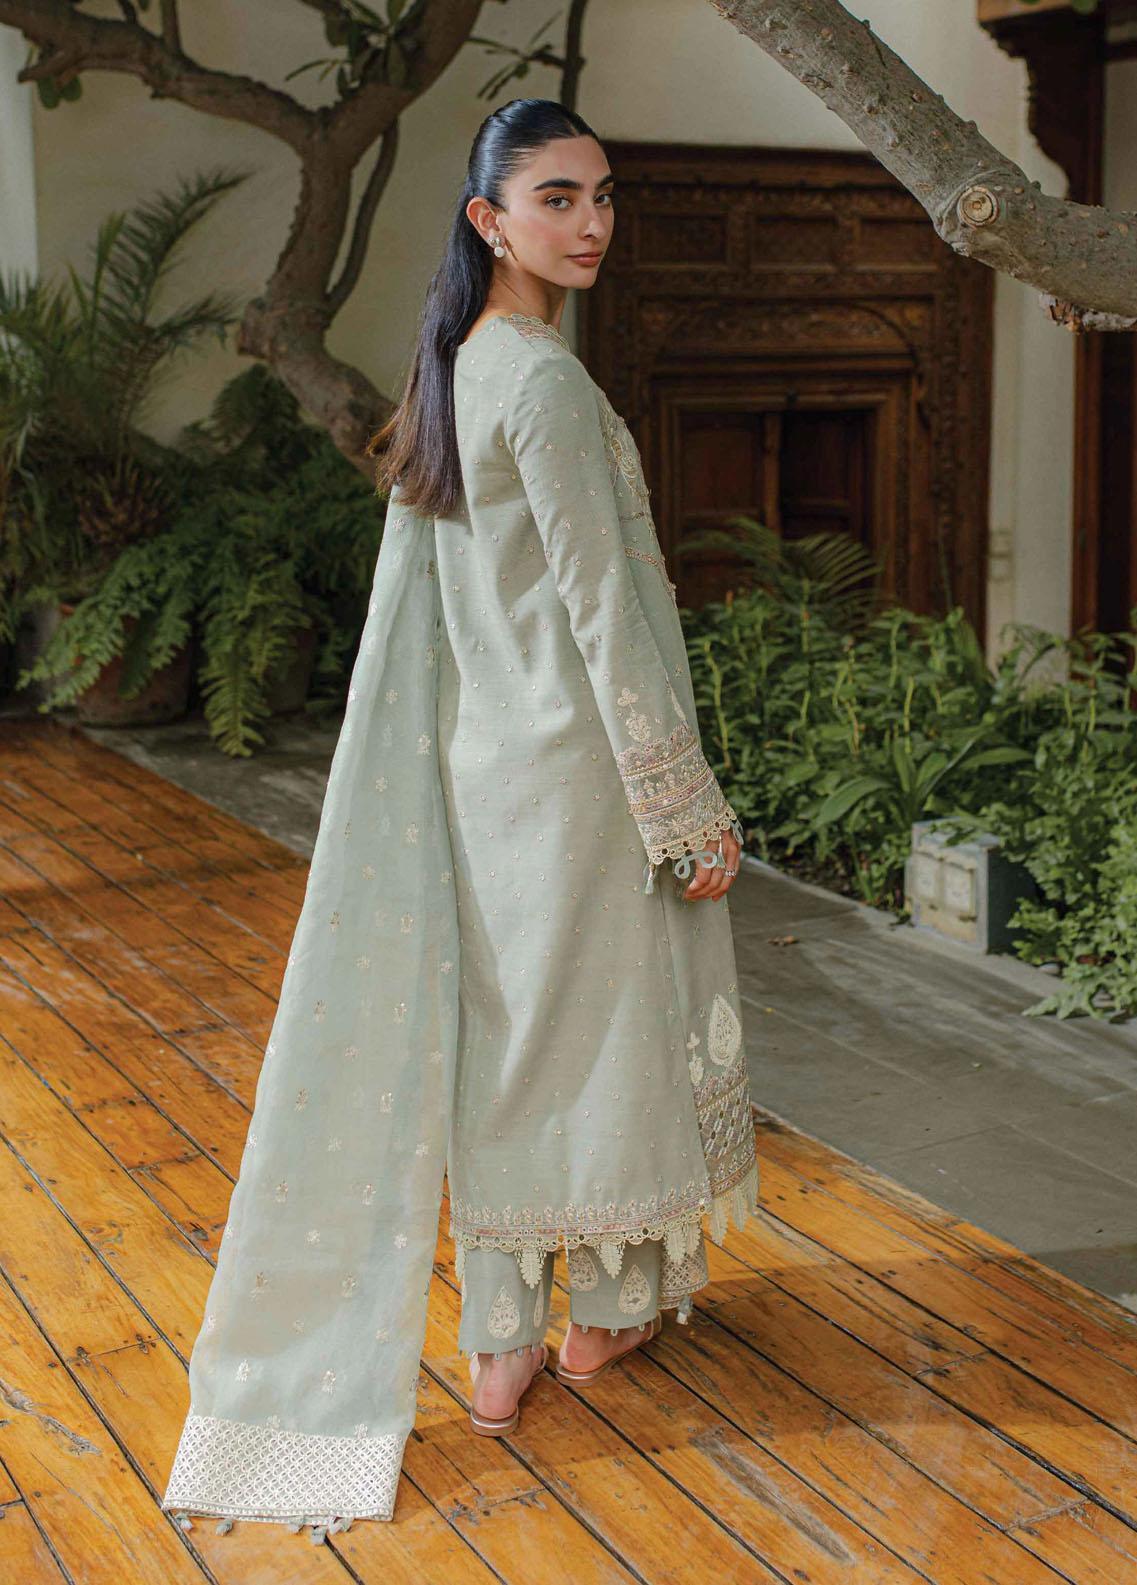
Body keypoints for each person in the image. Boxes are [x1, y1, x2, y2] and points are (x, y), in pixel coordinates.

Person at [161, 97, 759, 1538]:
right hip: (585, 778)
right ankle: (595, 1322)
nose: (592, 223)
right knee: (599, 1045)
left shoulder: (464, 366)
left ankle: (502, 1348)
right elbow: (603, 611)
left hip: (490, 769)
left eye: (602, 195)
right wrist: (683, 800)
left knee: (513, 1048)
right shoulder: (538, 382)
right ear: (489, 220)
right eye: (558, 198)